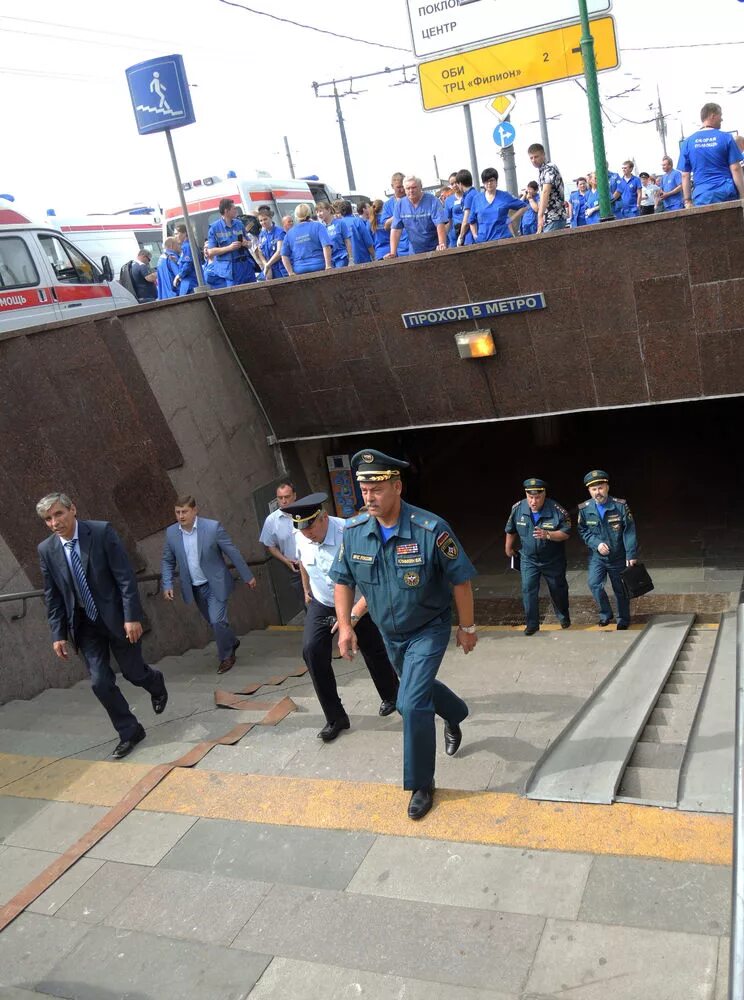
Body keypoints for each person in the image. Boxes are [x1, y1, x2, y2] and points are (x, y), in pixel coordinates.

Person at [330, 449, 478, 821]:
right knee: (417, 689)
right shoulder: (355, 533)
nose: (369, 497)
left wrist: (467, 626)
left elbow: (460, 579)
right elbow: (343, 581)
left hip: (428, 628)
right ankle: (456, 712)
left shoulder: (431, 529)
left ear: (397, 486)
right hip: (387, 632)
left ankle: (421, 784)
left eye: (376, 488)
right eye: (364, 489)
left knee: (409, 703)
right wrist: (347, 626)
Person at [36, 492, 168, 759]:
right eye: (48, 519)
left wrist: (132, 617)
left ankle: (155, 682)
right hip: (84, 626)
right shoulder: (46, 550)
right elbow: (53, 595)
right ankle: (130, 731)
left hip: (118, 618)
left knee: (133, 673)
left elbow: (125, 577)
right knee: (99, 682)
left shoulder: (100, 532)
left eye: (59, 514)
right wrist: (58, 634)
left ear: (73, 509)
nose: (54, 522)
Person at [286, 493, 399, 741]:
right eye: (302, 530)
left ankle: (391, 695)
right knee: (312, 651)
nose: (308, 534)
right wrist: (306, 590)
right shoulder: (300, 536)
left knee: (374, 649)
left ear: (324, 517)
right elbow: (304, 563)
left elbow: (376, 578)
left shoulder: (352, 533)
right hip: (322, 603)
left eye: (311, 527)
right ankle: (335, 717)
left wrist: (352, 617)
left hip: (358, 602)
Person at [161, 495, 256, 674]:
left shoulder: (212, 528)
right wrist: (167, 584)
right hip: (194, 587)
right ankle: (232, 641)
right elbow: (167, 561)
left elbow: (232, 552)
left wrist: (247, 576)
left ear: (195, 510)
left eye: (185, 512)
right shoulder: (172, 533)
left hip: (215, 584)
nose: (181, 516)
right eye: (178, 512)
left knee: (217, 620)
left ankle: (227, 656)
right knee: (215, 623)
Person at [504, 478, 571, 637]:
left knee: (557, 589)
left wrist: (548, 534)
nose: (533, 501)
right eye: (530, 497)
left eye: (537, 497)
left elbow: (566, 533)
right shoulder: (518, 508)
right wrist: (508, 546)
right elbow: (511, 529)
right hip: (528, 559)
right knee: (528, 590)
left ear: (544, 495)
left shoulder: (556, 510)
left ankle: (563, 617)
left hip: (552, 559)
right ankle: (532, 623)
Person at [577, 469, 638, 630]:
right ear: (589, 491)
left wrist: (631, 554)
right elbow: (583, 530)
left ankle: (623, 619)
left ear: (607, 487)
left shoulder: (620, 506)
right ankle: (605, 614)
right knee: (594, 584)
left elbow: (629, 530)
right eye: (594, 489)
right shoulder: (584, 509)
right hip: (597, 557)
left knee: (620, 589)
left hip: (618, 556)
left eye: (600, 487)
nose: (598, 492)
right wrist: (596, 543)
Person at [678, 103, 744, 206]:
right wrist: (742, 195)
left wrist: (688, 201)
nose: (721, 119)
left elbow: (685, 175)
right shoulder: (726, 138)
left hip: (702, 196)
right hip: (726, 193)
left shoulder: (688, 142)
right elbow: (735, 168)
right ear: (713, 115)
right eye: (720, 115)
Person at [259, 480, 302, 600]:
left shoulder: (306, 511)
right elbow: (270, 546)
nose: (283, 501)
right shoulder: (271, 521)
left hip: (315, 563)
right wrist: (286, 561)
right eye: (280, 498)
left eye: (287, 497)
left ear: (294, 496)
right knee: (307, 604)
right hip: (295, 569)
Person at [387, 175, 448, 257]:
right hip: (415, 252)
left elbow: (440, 224)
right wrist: (393, 253)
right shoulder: (400, 205)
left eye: (414, 187)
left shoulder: (433, 201)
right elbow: (396, 230)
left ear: (420, 187)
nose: (411, 191)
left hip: (435, 249)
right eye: (408, 188)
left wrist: (441, 244)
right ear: (404, 190)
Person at [206, 198, 256, 288]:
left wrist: (246, 243)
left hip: (246, 265)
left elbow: (250, 243)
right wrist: (229, 248)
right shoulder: (214, 228)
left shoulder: (239, 224)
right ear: (226, 211)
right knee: (236, 296)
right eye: (234, 208)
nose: (236, 210)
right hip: (231, 269)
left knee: (255, 291)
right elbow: (211, 251)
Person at [469, 167, 527, 243]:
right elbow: (471, 221)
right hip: (483, 241)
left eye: (491, 180)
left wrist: (511, 219)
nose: (489, 183)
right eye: (486, 181)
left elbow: (524, 207)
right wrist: (475, 235)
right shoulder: (477, 199)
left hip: (503, 238)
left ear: (496, 181)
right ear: (483, 183)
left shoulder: (505, 196)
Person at [282, 203, 333, 275]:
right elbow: (326, 246)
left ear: (296, 216)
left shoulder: (289, 233)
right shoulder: (318, 226)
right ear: (309, 213)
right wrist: (328, 266)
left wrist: (290, 272)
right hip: (319, 266)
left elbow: (284, 255)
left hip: (300, 269)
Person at [527, 143, 568, 232]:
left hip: (555, 217)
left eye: (536, 157)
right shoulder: (542, 171)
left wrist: (540, 216)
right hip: (550, 218)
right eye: (531, 158)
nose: (534, 160)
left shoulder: (549, 168)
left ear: (543, 155)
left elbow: (546, 191)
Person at [334, 199, 374, 265]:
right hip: (362, 259)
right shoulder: (357, 221)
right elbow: (368, 241)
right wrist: (374, 256)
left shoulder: (338, 224)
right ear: (351, 209)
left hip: (345, 261)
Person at [380, 172, 410, 256]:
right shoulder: (388, 205)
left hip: (417, 245)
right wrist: (399, 214)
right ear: (392, 186)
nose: (402, 190)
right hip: (401, 249)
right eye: (398, 187)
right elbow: (386, 226)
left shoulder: (413, 199)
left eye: (403, 187)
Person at [257, 206, 288, 280]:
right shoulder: (262, 234)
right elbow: (259, 251)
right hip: (269, 270)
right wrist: (265, 264)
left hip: (281, 269)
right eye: (261, 220)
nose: (263, 222)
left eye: (265, 219)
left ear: (270, 218)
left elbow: (279, 252)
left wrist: (268, 264)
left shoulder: (279, 232)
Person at [316, 200, 349, 268]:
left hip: (341, 257)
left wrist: (351, 258)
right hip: (328, 261)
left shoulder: (340, 223)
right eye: (317, 212)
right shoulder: (319, 227)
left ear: (328, 210)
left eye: (320, 211)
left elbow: (347, 241)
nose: (319, 214)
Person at [174, 231, 198, 296]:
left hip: (190, 282)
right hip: (187, 282)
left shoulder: (187, 246)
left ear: (184, 233)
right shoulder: (185, 246)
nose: (175, 236)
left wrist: (179, 275)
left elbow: (188, 264)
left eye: (177, 233)